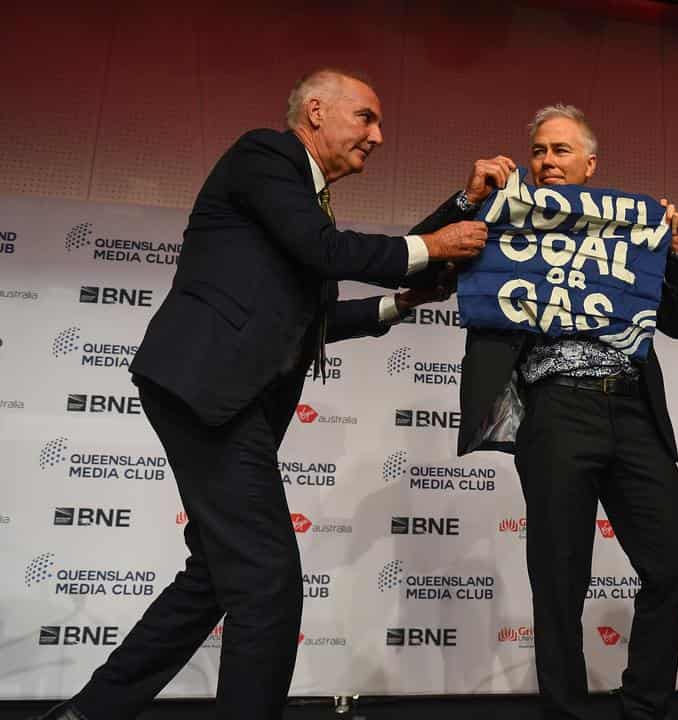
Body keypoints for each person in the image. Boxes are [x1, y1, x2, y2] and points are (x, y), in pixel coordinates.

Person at [38, 68, 496, 720]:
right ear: (315, 112)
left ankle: (89, 714)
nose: (379, 135)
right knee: (267, 582)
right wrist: (433, 244)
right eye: (366, 117)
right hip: (205, 390)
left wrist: (411, 289)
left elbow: (318, 316)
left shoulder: (305, 207)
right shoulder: (267, 155)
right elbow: (330, 250)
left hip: (218, 397)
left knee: (214, 579)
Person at [410, 103, 678, 720]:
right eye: (539, 150)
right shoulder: (503, 220)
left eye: (561, 150)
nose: (547, 161)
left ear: (590, 165)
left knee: (674, 562)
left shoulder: (629, 231)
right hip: (555, 411)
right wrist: (466, 199)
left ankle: (643, 708)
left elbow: (677, 320)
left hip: (632, 410)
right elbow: (427, 255)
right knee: (560, 581)